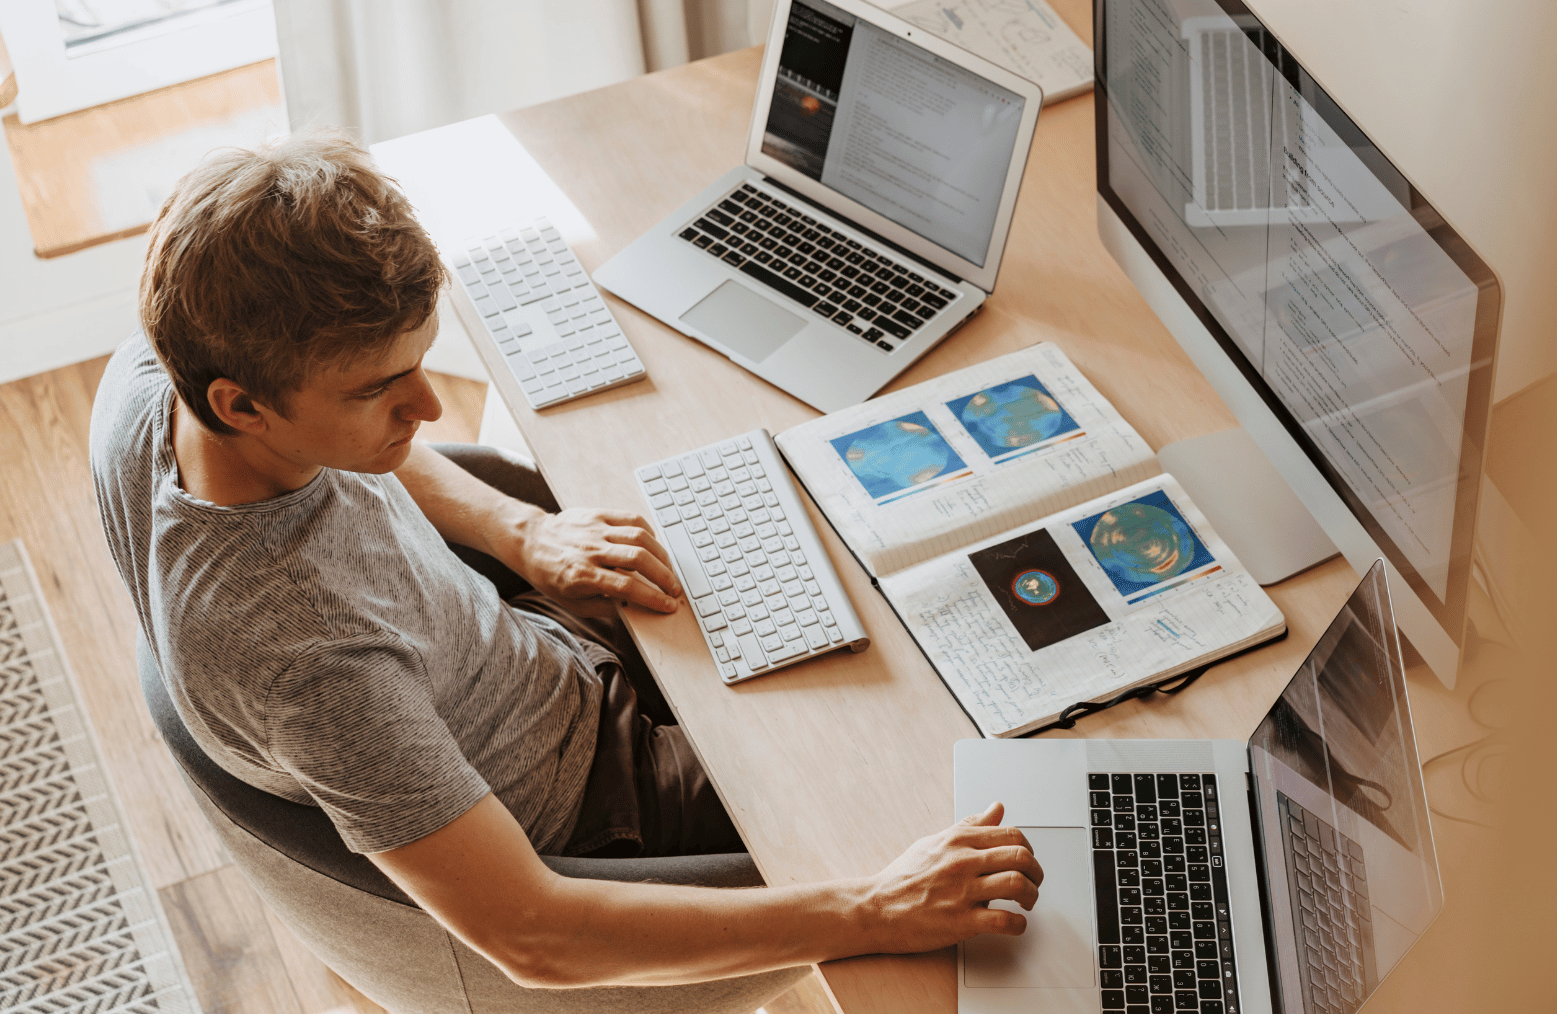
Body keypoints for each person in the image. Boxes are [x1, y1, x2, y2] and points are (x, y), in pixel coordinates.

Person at [89, 129, 1041, 990]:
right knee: (953, 774)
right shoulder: (307, 664)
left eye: (422, 362)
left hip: (528, 653)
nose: (426, 410)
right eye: (382, 390)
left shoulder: (162, 369)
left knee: (847, 572)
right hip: (599, 805)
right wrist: (871, 912)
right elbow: (535, 936)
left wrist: (520, 534)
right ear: (242, 404)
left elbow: (319, 386)